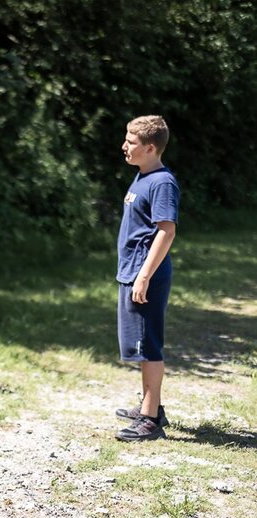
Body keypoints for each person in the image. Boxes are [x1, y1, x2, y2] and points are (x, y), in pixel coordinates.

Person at [113, 115, 179, 442]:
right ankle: (149, 406)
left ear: (151, 147)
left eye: (132, 142)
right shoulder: (142, 176)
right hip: (133, 272)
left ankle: (151, 420)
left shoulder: (161, 182)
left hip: (145, 275)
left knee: (148, 345)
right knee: (139, 345)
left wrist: (144, 277)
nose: (125, 146)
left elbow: (167, 231)